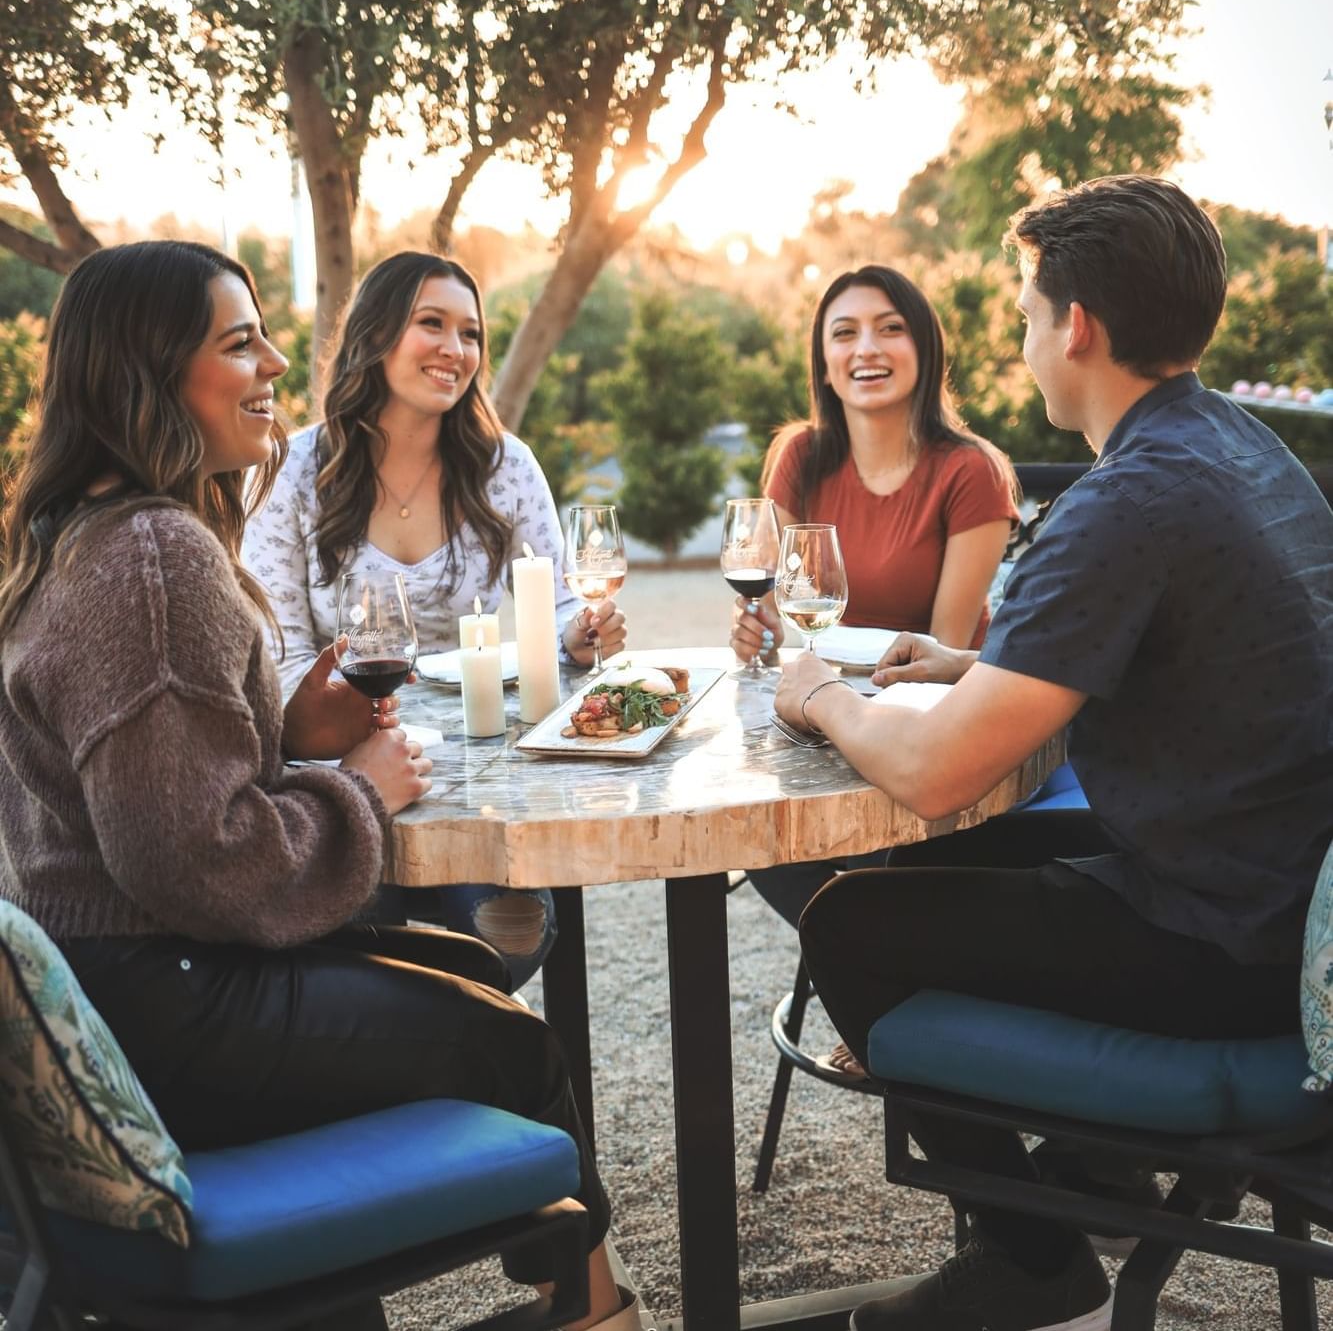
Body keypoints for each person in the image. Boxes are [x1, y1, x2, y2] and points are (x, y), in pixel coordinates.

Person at [0, 241, 636, 1331]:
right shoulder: (156, 554)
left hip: (119, 982)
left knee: (464, 960)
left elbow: (155, 774)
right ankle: (591, 1315)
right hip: (169, 999)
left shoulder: (75, 533)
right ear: (149, 369)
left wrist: (292, 729)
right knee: (513, 1042)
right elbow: (197, 857)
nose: (276, 362)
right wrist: (359, 790)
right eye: (240, 341)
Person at [775, 177, 1333, 1331]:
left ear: (1074, 324)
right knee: (920, 873)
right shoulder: (1235, 444)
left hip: (1228, 939)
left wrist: (819, 691)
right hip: (1270, 873)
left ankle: (1036, 1259)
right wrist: (964, 668)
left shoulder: (1130, 495)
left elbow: (935, 775)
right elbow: (1178, 655)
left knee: (847, 921)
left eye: (1028, 314)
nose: (1025, 341)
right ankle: (1097, 1173)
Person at [243, 252, 628, 989]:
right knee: (351, 951)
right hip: (335, 771)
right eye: (432, 324)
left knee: (516, 932)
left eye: (470, 332)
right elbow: (281, 655)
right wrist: (350, 748)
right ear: (377, 335)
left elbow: (562, 611)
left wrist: (584, 634)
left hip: (469, 765)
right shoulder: (292, 469)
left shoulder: (505, 465)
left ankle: (453, 1049)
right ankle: (417, 1063)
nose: (455, 349)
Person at [734, 265, 1018, 933]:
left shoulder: (969, 471)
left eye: (890, 329)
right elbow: (776, 617)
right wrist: (752, 631)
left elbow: (942, 653)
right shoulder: (798, 456)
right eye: (844, 333)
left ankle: (876, 995)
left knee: (878, 862)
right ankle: (875, 981)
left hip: (928, 732)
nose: (866, 348)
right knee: (762, 832)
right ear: (824, 364)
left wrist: (834, 701)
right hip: (819, 722)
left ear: (924, 351)